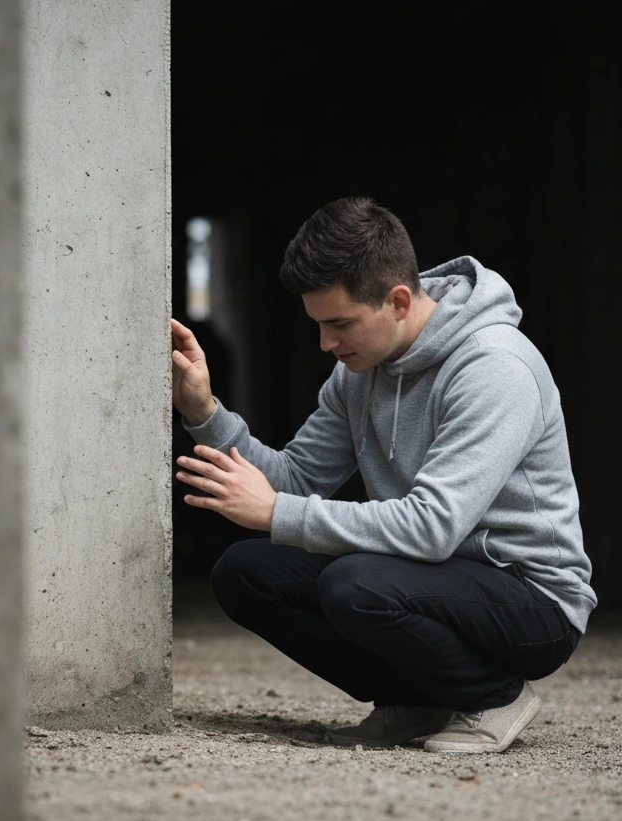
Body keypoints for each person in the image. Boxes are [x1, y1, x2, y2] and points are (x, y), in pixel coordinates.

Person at [170, 197, 595, 753]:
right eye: (318, 324)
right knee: (245, 573)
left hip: (529, 597)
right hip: (426, 577)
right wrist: (203, 411)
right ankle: (416, 701)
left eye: (339, 323)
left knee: (355, 586)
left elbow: (432, 527)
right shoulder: (359, 372)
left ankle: (493, 696)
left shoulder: (494, 367)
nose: (326, 343)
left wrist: (275, 511)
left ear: (398, 301)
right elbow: (294, 480)